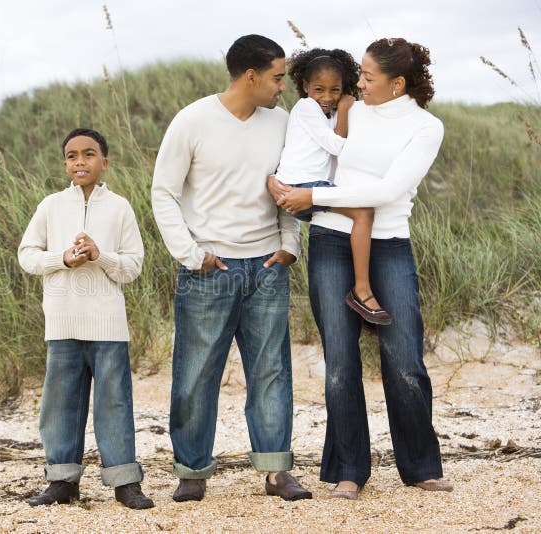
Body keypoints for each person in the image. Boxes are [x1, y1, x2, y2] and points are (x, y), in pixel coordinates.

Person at [272, 38, 453, 499]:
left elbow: (390, 190)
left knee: (406, 362)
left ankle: (420, 466)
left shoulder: (426, 127)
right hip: (332, 239)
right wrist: (286, 184)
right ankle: (348, 469)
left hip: (389, 244)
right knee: (340, 363)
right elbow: (309, 151)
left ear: (397, 83)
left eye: (369, 77)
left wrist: (312, 197)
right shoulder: (352, 109)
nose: (360, 82)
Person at [151, 34, 310, 502]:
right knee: (196, 373)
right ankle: (192, 472)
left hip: (266, 267)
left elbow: (288, 186)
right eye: (278, 77)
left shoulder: (279, 122)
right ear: (251, 76)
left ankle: (277, 472)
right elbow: (164, 192)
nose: (283, 86)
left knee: (271, 372)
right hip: (208, 269)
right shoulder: (193, 120)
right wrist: (191, 253)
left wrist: (289, 244)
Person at [18, 128, 154, 510]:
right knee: (60, 403)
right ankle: (62, 481)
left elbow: (132, 267)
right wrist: (61, 258)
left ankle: (125, 482)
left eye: (89, 154)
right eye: (72, 156)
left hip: (108, 324)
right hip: (62, 322)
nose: (80, 161)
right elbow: (27, 255)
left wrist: (100, 255)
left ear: (104, 162)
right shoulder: (50, 206)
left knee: (114, 402)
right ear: (65, 164)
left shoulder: (120, 207)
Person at [274, 48, 391, 325]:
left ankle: (361, 286)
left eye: (335, 90)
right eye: (319, 89)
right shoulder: (306, 107)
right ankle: (361, 291)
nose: (327, 97)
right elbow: (338, 146)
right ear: (304, 87)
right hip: (300, 186)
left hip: (312, 186)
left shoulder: (324, 112)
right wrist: (346, 109)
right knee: (363, 214)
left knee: (357, 218)